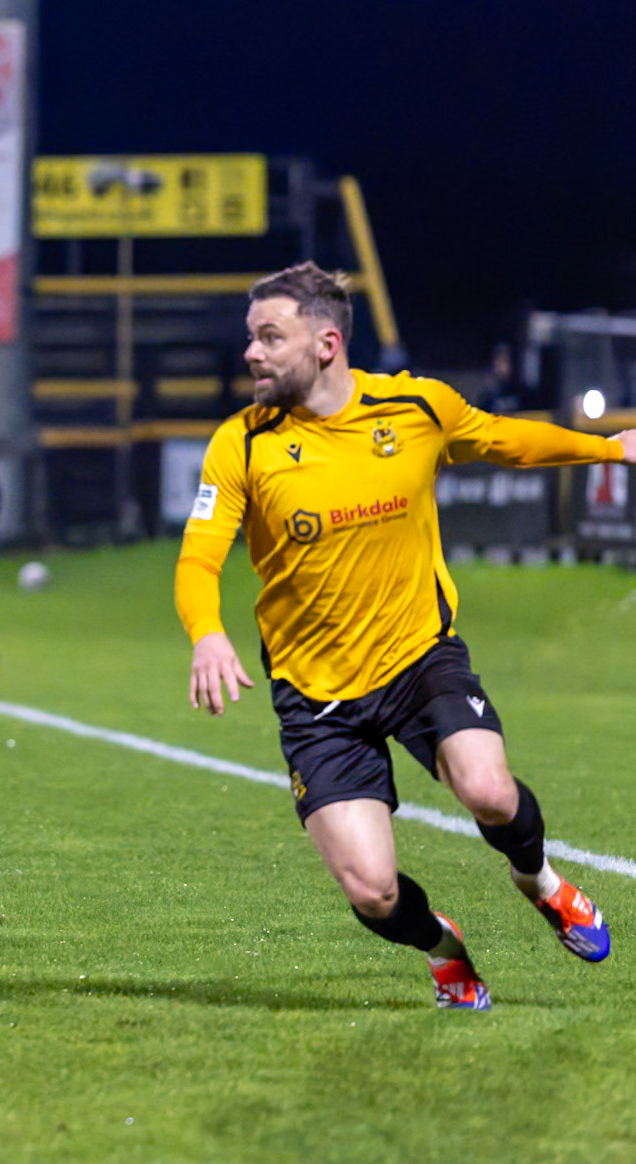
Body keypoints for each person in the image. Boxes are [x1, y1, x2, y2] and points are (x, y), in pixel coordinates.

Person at [177, 261, 633, 1010]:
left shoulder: (415, 407)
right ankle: (442, 947)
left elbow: (503, 440)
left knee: (488, 791)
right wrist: (206, 633)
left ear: (326, 344)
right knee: (372, 891)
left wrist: (610, 448)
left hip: (418, 658)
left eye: (269, 337)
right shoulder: (241, 444)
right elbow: (199, 558)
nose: (251, 352)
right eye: (251, 337)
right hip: (316, 697)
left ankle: (540, 882)